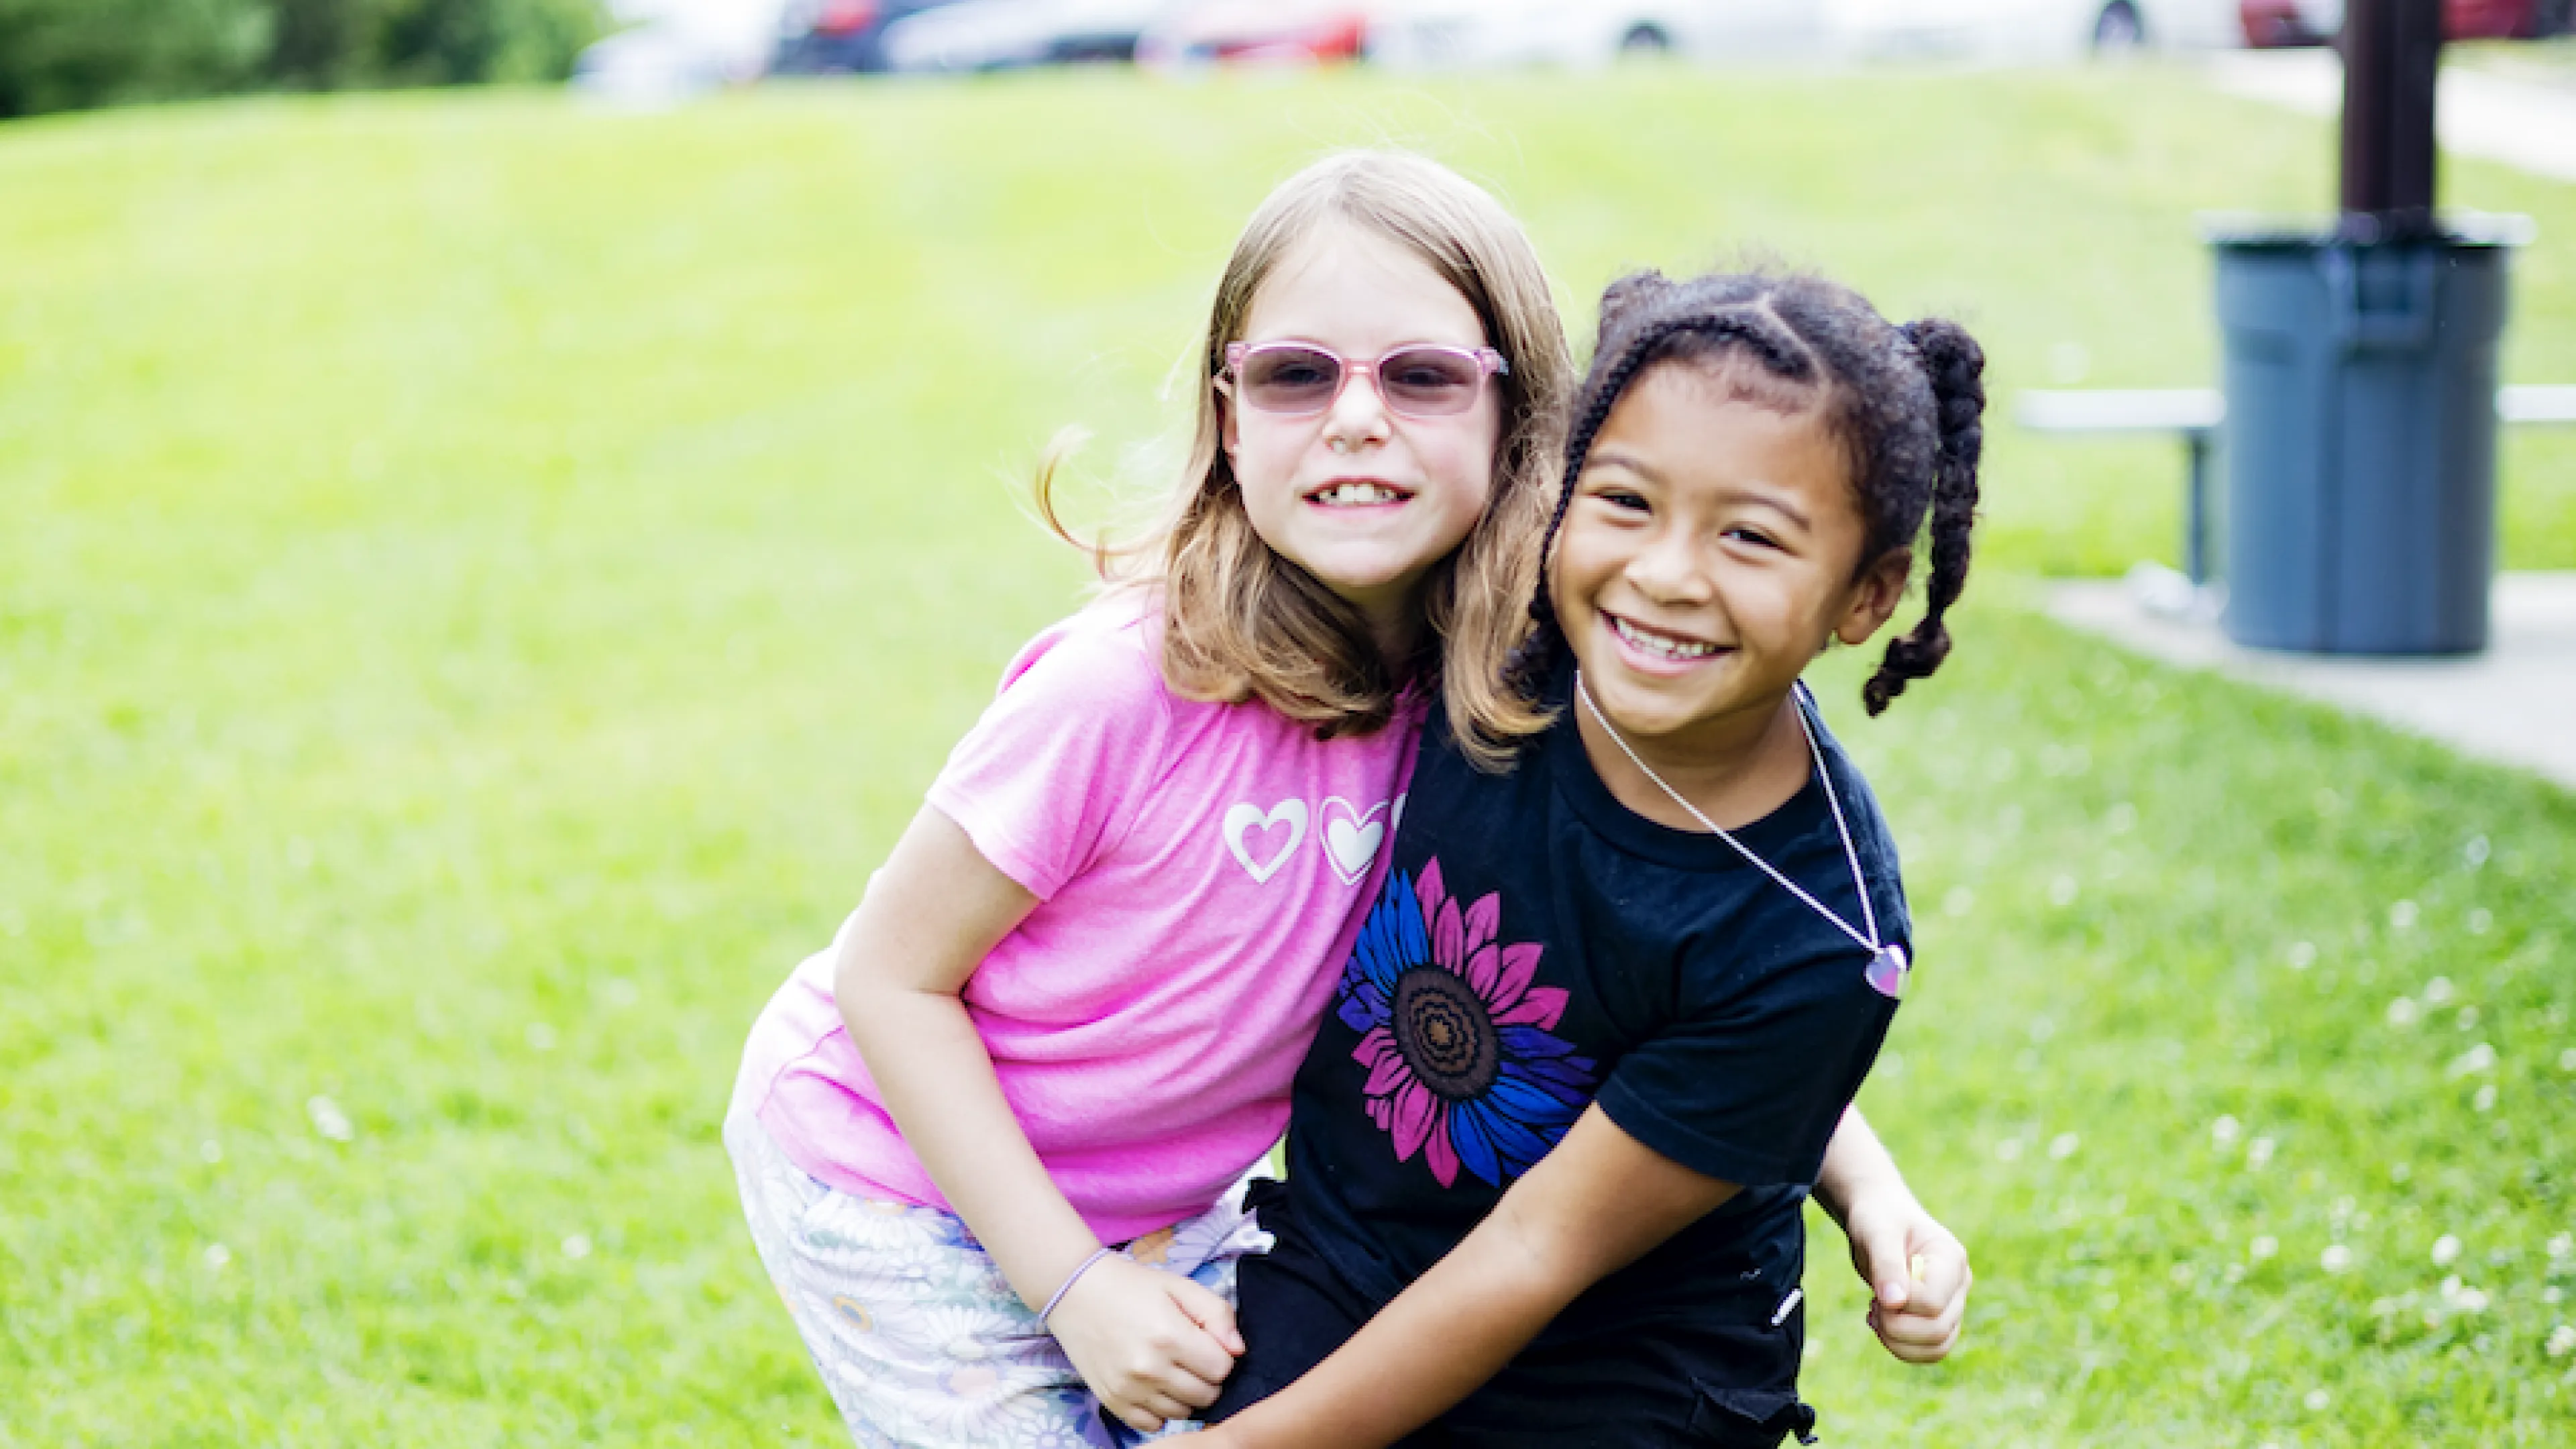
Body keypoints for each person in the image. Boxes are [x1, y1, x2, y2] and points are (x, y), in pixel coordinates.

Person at [724, 155, 1963, 1449]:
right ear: (1229, 417)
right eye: (1296, 375)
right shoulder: (1120, 689)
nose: (1357, 420)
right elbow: (886, 981)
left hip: (1151, 1188)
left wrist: (1870, 1190)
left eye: (1421, 376)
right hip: (894, 1170)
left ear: (1522, 418)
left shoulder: (1518, 676)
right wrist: (1074, 1288)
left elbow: (1705, 999)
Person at [1199, 266, 1986, 1449]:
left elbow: (1535, 1251)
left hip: (1620, 1371)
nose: (1666, 574)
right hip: (1351, 1254)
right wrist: (1869, 1182)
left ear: (1866, 595)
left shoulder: (1817, 930)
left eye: (1752, 537)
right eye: (1625, 503)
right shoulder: (1516, 647)